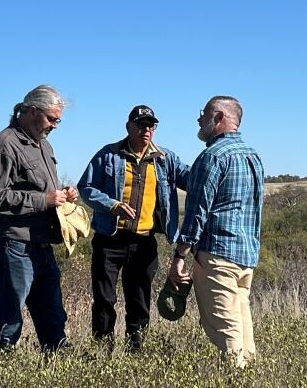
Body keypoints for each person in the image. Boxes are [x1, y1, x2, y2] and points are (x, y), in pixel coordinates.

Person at [78, 105, 189, 352]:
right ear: (128, 127)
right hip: (110, 240)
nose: (146, 130)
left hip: (144, 242)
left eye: (151, 126)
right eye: (140, 125)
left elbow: (193, 180)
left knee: (139, 301)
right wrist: (112, 205)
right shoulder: (109, 155)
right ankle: (101, 352)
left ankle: (136, 352)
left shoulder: (165, 158)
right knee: (105, 300)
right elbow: (85, 187)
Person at [0, 84, 78, 354]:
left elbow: (41, 188)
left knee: (53, 316)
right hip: (15, 245)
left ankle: (59, 366)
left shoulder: (43, 146)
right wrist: (44, 200)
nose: (55, 125)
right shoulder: (4, 144)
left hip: (42, 244)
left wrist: (65, 193)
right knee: (9, 318)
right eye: (52, 119)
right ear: (33, 111)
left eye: (58, 120)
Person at [167, 95, 264, 368]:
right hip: (246, 257)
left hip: (217, 257)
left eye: (204, 113)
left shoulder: (212, 156)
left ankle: (236, 380)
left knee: (226, 335)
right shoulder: (253, 156)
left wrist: (179, 256)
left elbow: (197, 212)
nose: (199, 119)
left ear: (219, 117)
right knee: (243, 334)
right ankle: (250, 378)